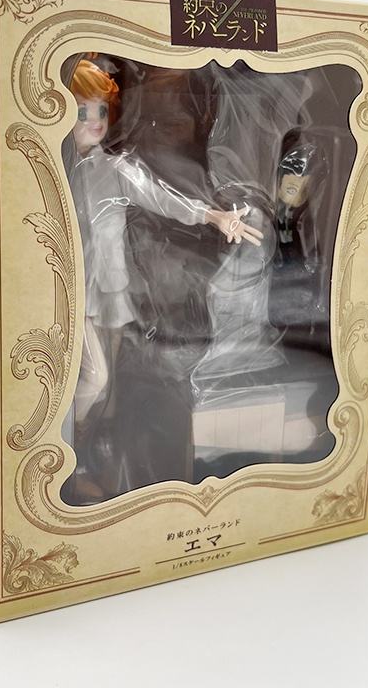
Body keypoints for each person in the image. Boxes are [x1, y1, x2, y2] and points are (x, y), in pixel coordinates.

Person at [64, 58, 262, 454]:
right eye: (83, 112)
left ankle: (98, 449)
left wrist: (213, 216)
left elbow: (162, 198)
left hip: (112, 286)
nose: (95, 121)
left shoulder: (115, 169)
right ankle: (70, 442)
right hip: (72, 290)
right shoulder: (58, 171)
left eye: (100, 111)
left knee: (113, 381)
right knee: (94, 377)